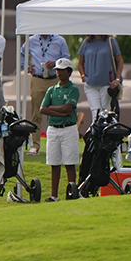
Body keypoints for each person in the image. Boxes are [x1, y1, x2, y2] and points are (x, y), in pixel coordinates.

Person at [36, 58, 79, 198]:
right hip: (53, 128)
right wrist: (58, 111)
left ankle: (72, 193)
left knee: (69, 162)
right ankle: (54, 196)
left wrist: (52, 109)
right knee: (54, 163)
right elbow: (43, 109)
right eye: (58, 70)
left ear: (69, 72)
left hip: (69, 128)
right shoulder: (51, 89)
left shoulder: (73, 89)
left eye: (62, 70)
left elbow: (68, 107)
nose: (59, 73)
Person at [26, 33, 72, 149]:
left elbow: (66, 58)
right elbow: (21, 53)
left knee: (58, 110)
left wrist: (56, 63)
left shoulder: (60, 40)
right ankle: (35, 144)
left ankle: (60, 143)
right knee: (36, 112)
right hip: (38, 78)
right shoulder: (32, 40)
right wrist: (26, 66)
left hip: (55, 79)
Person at [74, 34, 123, 120]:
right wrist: (83, 76)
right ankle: (97, 132)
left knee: (105, 111)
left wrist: (117, 79)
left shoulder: (110, 41)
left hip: (107, 83)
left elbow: (120, 61)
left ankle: (104, 132)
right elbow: (80, 63)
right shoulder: (86, 42)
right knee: (95, 112)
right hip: (90, 83)